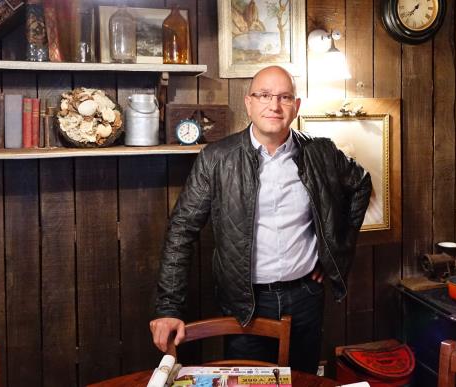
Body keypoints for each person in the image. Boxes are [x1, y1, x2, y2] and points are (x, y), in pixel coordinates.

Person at [150, 65, 372, 374]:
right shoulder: (217, 158)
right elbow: (181, 231)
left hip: (307, 297)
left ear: (296, 106)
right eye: (264, 95)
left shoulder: (321, 152)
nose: (274, 105)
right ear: (249, 102)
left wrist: (337, 251)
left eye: (284, 97)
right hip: (246, 305)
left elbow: (361, 183)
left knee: (302, 379)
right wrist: (169, 308)